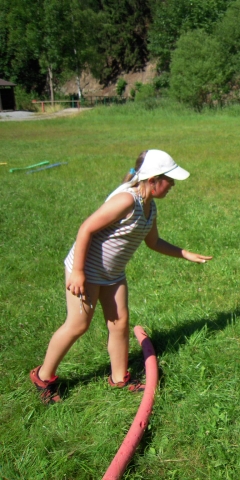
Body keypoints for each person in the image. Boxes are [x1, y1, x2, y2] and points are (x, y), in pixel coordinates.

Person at [30, 149, 212, 403]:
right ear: (153, 180)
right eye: (169, 180)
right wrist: (78, 272)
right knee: (78, 325)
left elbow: (154, 242)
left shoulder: (149, 207)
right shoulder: (127, 200)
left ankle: (119, 378)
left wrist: (185, 254)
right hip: (86, 270)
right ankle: (42, 377)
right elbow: (86, 229)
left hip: (113, 274)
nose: (172, 185)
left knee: (120, 324)